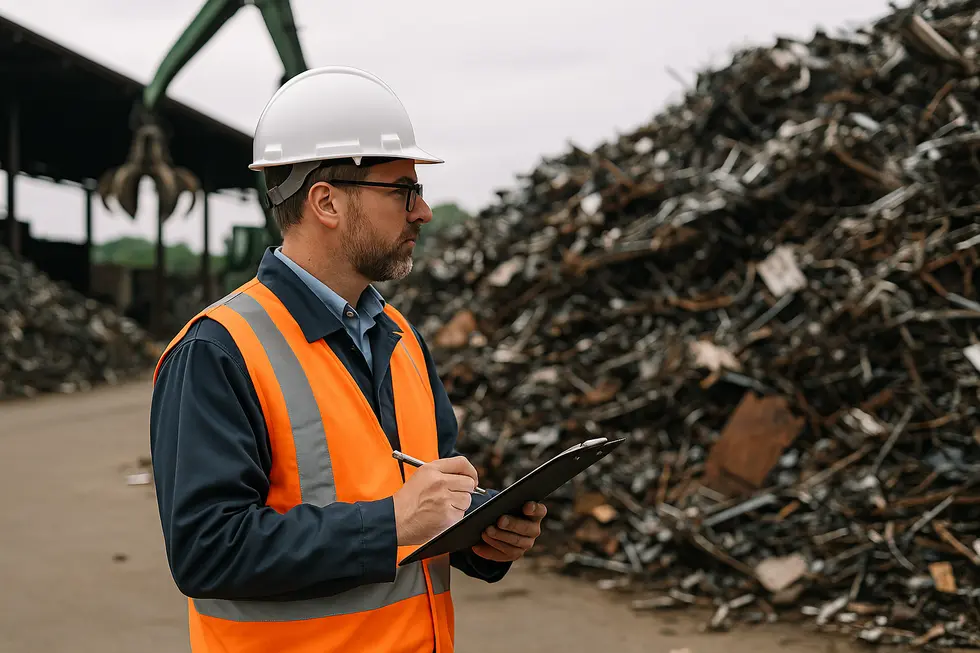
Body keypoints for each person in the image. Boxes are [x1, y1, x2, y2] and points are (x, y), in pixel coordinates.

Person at [148, 66, 547, 653]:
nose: (423, 212)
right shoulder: (217, 349)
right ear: (327, 202)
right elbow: (208, 551)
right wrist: (393, 523)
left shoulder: (399, 336)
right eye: (403, 190)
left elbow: (415, 498)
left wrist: (482, 532)